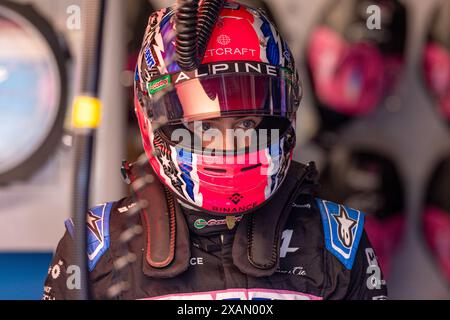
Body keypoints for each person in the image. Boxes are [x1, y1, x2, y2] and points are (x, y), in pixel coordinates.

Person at [43, 0, 387, 300]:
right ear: (152, 120)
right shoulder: (94, 248)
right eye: (204, 128)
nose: (227, 144)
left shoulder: (338, 241)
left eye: (246, 124)